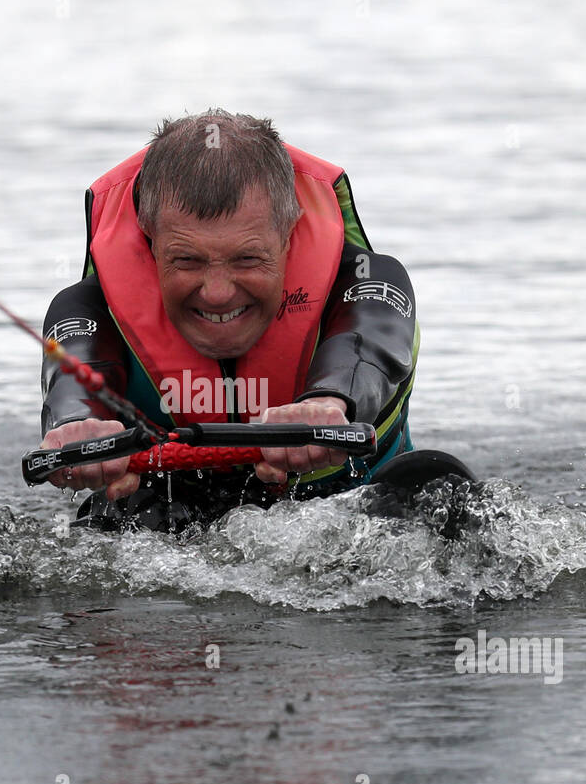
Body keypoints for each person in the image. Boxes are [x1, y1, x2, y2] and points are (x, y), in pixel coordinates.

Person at [39, 108, 465, 532]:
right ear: (149, 236)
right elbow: (75, 376)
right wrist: (74, 427)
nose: (217, 292)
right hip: (161, 519)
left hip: (352, 514)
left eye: (247, 258)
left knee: (437, 488)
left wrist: (328, 403)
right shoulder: (87, 308)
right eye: (186, 260)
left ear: (289, 229)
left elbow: (367, 342)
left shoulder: (370, 282)